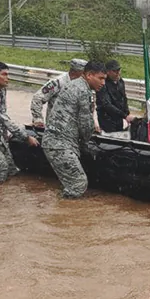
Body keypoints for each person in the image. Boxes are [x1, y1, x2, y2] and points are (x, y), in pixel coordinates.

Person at [42, 60, 107, 198]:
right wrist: (87, 144)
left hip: (56, 142)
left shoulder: (74, 85)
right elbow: (85, 124)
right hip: (60, 144)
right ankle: (63, 215)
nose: (103, 83)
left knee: (71, 183)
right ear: (89, 75)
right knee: (78, 183)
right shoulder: (83, 90)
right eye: (100, 78)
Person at [30, 58, 87, 127]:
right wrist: (38, 119)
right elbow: (38, 98)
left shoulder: (82, 84)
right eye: (84, 71)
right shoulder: (58, 82)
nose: (86, 74)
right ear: (75, 71)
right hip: (55, 128)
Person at [96, 59, 134, 133]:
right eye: (115, 71)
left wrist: (127, 114)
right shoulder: (103, 84)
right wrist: (124, 115)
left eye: (119, 70)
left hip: (118, 118)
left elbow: (124, 98)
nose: (118, 73)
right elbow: (106, 104)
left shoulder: (120, 82)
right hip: (106, 119)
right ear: (108, 72)